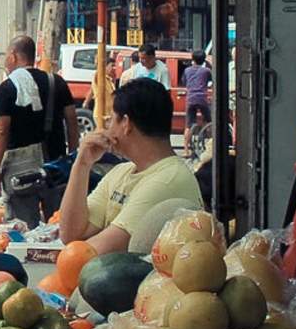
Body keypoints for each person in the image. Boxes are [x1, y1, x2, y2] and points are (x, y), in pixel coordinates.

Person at [59, 79, 203, 254]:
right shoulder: (122, 171)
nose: (107, 127)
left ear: (126, 123)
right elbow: (71, 234)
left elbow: (92, 252)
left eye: (111, 119)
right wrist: (81, 165)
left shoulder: (169, 180)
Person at [0, 36, 79, 227]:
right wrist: (72, 157)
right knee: (58, 223)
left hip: (20, 170)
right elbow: (72, 122)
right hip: (56, 164)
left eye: (6, 55)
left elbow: (0, 131)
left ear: (13, 56)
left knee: (23, 226)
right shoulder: (56, 82)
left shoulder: (7, 88)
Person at [183, 50, 213, 155]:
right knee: (209, 122)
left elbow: (184, 82)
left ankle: (186, 150)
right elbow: (212, 81)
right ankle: (210, 146)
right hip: (202, 98)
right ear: (204, 60)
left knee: (188, 125)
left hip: (190, 98)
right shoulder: (206, 71)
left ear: (193, 59)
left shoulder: (187, 70)